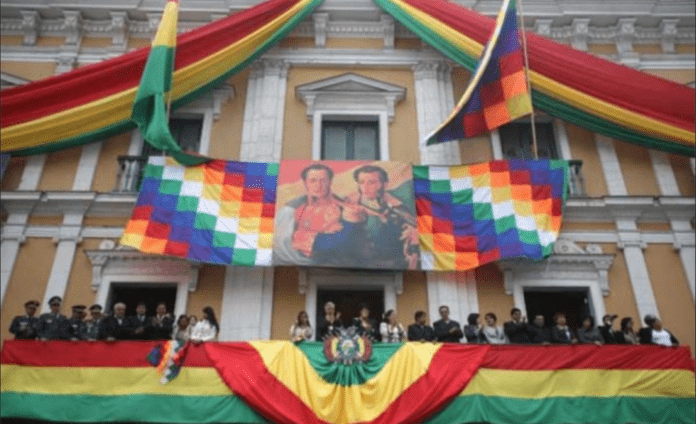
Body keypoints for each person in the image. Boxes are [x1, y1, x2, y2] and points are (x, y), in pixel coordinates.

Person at [274, 164, 364, 266]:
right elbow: (285, 243)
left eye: (323, 180)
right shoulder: (291, 210)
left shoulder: (343, 205)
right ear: (305, 183)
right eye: (313, 181)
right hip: (298, 264)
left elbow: (348, 241)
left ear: (330, 181)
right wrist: (328, 234)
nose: (318, 185)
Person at [345, 165, 419, 269]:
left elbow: (414, 224)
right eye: (361, 182)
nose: (365, 187)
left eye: (371, 182)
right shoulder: (350, 204)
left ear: (385, 184)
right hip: (359, 264)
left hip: (395, 262)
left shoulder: (396, 203)